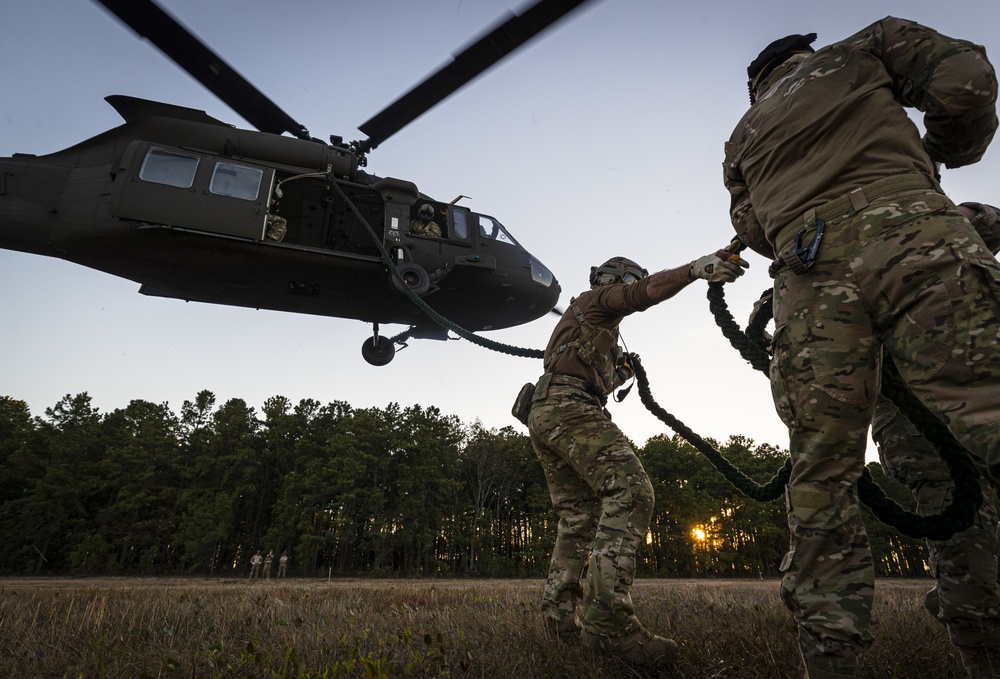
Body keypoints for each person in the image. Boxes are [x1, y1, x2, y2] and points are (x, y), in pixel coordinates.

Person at [723, 18, 1000, 679]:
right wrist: (935, 162)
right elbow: (967, 83)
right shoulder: (866, 49)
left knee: (826, 477)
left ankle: (833, 655)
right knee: (985, 432)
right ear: (807, 53)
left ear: (757, 84)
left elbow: (753, 225)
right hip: (918, 248)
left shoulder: (741, 137)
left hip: (812, 286)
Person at [526, 251, 749, 670]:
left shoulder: (582, 324)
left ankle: (559, 621)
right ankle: (609, 627)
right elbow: (638, 295)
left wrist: (620, 373)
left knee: (578, 517)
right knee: (631, 493)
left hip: (547, 410)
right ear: (615, 278)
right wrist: (692, 270)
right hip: (570, 408)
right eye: (629, 279)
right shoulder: (596, 301)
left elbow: (584, 370)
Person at [871, 202, 1000, 679]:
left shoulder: (956, 250)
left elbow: (989, 222)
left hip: (980, 396)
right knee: (963, 527)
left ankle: (957, 597)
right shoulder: (840, 260)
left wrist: (942, 219)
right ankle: (979, 641)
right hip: (917, 422)